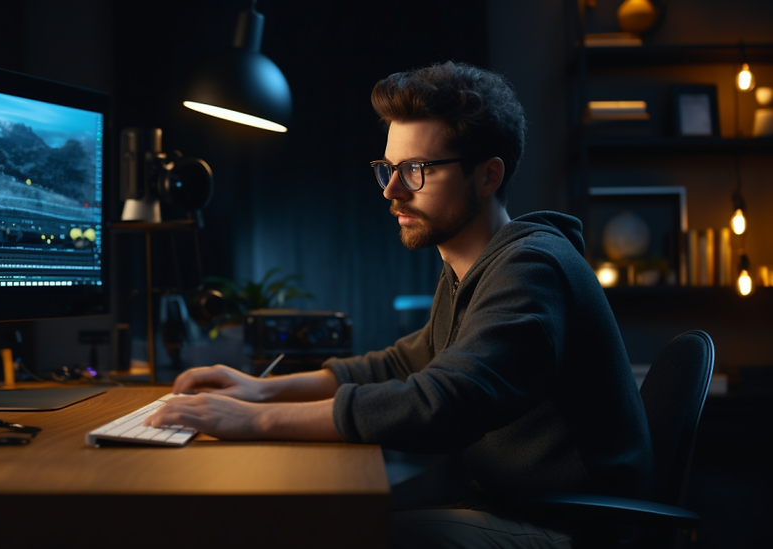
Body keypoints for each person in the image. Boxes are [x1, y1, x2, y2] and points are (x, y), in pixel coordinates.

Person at [145, 61, 655, 548]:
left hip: (572, 529)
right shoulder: (471, 267)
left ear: (488, 175)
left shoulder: (530, 269)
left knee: (322, 534)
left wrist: (252, 421)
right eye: (388, 168)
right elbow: (402, 362)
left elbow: (444, 402)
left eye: (416, 170)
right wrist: (260, 391)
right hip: (512, 509)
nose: (391, 190)